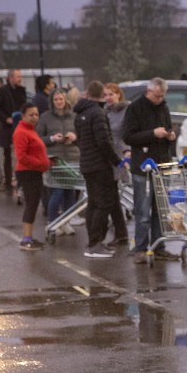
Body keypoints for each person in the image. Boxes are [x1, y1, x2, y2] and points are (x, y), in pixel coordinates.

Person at [122, 77, 179, 263]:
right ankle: (140, 248)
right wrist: (152, 134)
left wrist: (171, 135)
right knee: (143, 211)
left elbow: (169, 126)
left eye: (162, 96)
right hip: (143, 167)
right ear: (148, 92)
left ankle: (158, 246)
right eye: (157, 96)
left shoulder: (163, 106)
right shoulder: (135, 108)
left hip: (162, 164)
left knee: (160, 211)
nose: (160, 99)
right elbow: (128, 136)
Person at [74, 81, 123, 259]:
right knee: (104, 203)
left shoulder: (80, 114)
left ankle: (94, 242)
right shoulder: (98, 113)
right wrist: (117, 161)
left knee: (94, 203)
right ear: (102, 94)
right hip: (100, 165)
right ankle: (95, 243)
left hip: (87, 164)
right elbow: (104, 142)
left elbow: (81, 141)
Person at [36, 89, 79, 234]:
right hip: (54, 159)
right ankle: (53, 222)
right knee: (57, 192)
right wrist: (52, 139)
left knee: (70, 193)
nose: (59, 102)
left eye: (61, 99)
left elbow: (83, 134)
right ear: (52, 102)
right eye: (56, 100)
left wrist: (74, 137)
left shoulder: (75, 116)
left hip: (72, 158)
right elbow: (37, 138)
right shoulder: (45, 117)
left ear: (66, 100)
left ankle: (66, 221)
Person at [12, 103, 50, 250]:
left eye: (36, 114)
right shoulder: (21, 132)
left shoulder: (30, 130)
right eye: (31, 115)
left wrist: (46, 162)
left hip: (34, 171)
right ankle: (26, 239)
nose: (34, 118)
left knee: (33, 204)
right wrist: (41, 164)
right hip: (28, 172)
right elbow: (22, 157)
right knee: (31, 205)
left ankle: (29, 237)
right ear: (23, 116)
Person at [0, 69, 28, 193]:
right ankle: (8, 183)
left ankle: (21, 182)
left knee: (21, 155)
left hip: (20, 126)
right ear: (11, 78)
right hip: (7, 128)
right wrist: (5, 118)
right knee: (8, 156)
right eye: (18, 76)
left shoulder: (21, 91)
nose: (20, 79)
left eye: (20, 76)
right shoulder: (2, 91)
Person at [103, 82, 131, 247]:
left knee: (115, 195)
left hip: (121, 157)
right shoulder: (104, 113)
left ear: (118, 95)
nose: (108, 98)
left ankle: (121, 233)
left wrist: (127, 151)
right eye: (105, 95)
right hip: (108, 157)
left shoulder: (126, 111)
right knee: (113, 196)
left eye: (111, 95)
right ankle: (121, 233)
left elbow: (126, 133)